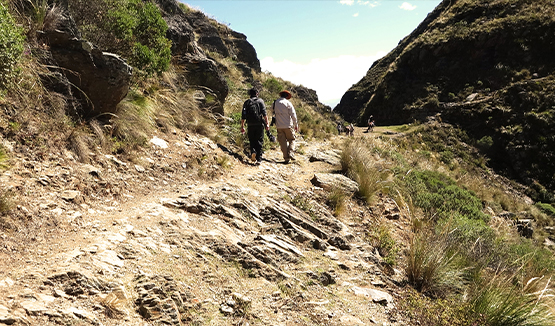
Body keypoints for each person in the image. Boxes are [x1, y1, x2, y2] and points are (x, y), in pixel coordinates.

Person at [241, 88, 269, 165]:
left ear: (250, 94)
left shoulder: (246, 102)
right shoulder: (260, 101)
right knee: (259, 140)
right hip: (259, 124)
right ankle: (259, 159)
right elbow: (264, 114)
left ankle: (253, 151)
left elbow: (243, 116)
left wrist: (242, 126)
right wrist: (267, 124)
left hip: (250, 124)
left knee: (252, 140)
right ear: (257, 93)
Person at [273, 90, 298, 164]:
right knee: (292, 139)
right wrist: (296, 124)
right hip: (288, 125)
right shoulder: (288, 103)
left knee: (282, 142)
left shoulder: (275, 103)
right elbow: (293, 115)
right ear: (287, 96)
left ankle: (286, 158)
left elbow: (271, 110)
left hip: (279, 126)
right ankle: (291, 153)